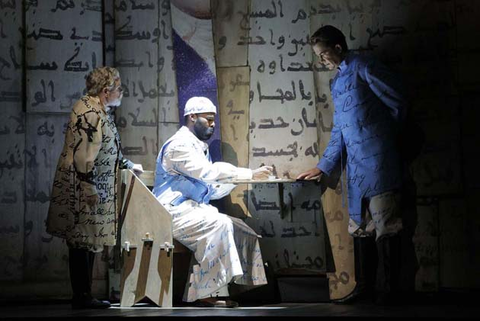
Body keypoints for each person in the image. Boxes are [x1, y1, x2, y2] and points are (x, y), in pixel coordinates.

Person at [297, 25, 418, 305]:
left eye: (324, 54)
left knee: (387, 224)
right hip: (356, 168)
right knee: (360, 226)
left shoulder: (365, 66)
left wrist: (384, 140)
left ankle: (391, 292)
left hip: (379, 160)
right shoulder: (336, 82)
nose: (321, 61)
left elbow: (398, 101)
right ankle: (365, 288)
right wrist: (324, 166)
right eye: (318, 56)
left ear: (338, 48)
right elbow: (339, 128)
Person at [153, 96, 272, 308]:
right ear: (192, 117)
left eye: (214, 119)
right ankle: (205, 293)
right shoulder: (178, 145)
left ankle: (241, 286)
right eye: (208, 119)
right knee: (219, 225)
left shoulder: (197, 146)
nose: (213, 124)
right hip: (171, 211)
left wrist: (239, 180)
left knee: (241, 227)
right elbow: (207, 173)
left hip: (191, 209)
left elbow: (210, 189)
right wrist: (247, 174)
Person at [46, 67, 143, 309]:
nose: (121, 92)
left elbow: (108, 147)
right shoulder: (90, 113)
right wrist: (89, 188)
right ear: (105, 91)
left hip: (90, 183)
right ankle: (82, 296)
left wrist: (127, 164)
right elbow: (84, 157)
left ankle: (84, 294)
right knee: (81, 240)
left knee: (88, 240)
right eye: (118, 88)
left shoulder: (99, 109)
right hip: (83, 185)